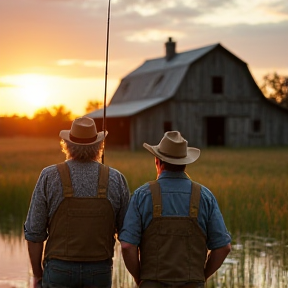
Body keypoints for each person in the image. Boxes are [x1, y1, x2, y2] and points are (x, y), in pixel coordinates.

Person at [24, 116, 130, 288]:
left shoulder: (49, 176)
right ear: (99, 145)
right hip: (100, 271)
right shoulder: (116, 178)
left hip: (58, 271)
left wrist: (37, 275)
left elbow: (34, 234)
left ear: (67, 145)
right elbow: (126, 234)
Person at [119, 131, 231, 288]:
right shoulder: (205, 196)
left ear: (157, 161)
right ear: (185, 163)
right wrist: (200, 277)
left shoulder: (142, 195)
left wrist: (141, 279)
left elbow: (127, 246)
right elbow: (223, 247)